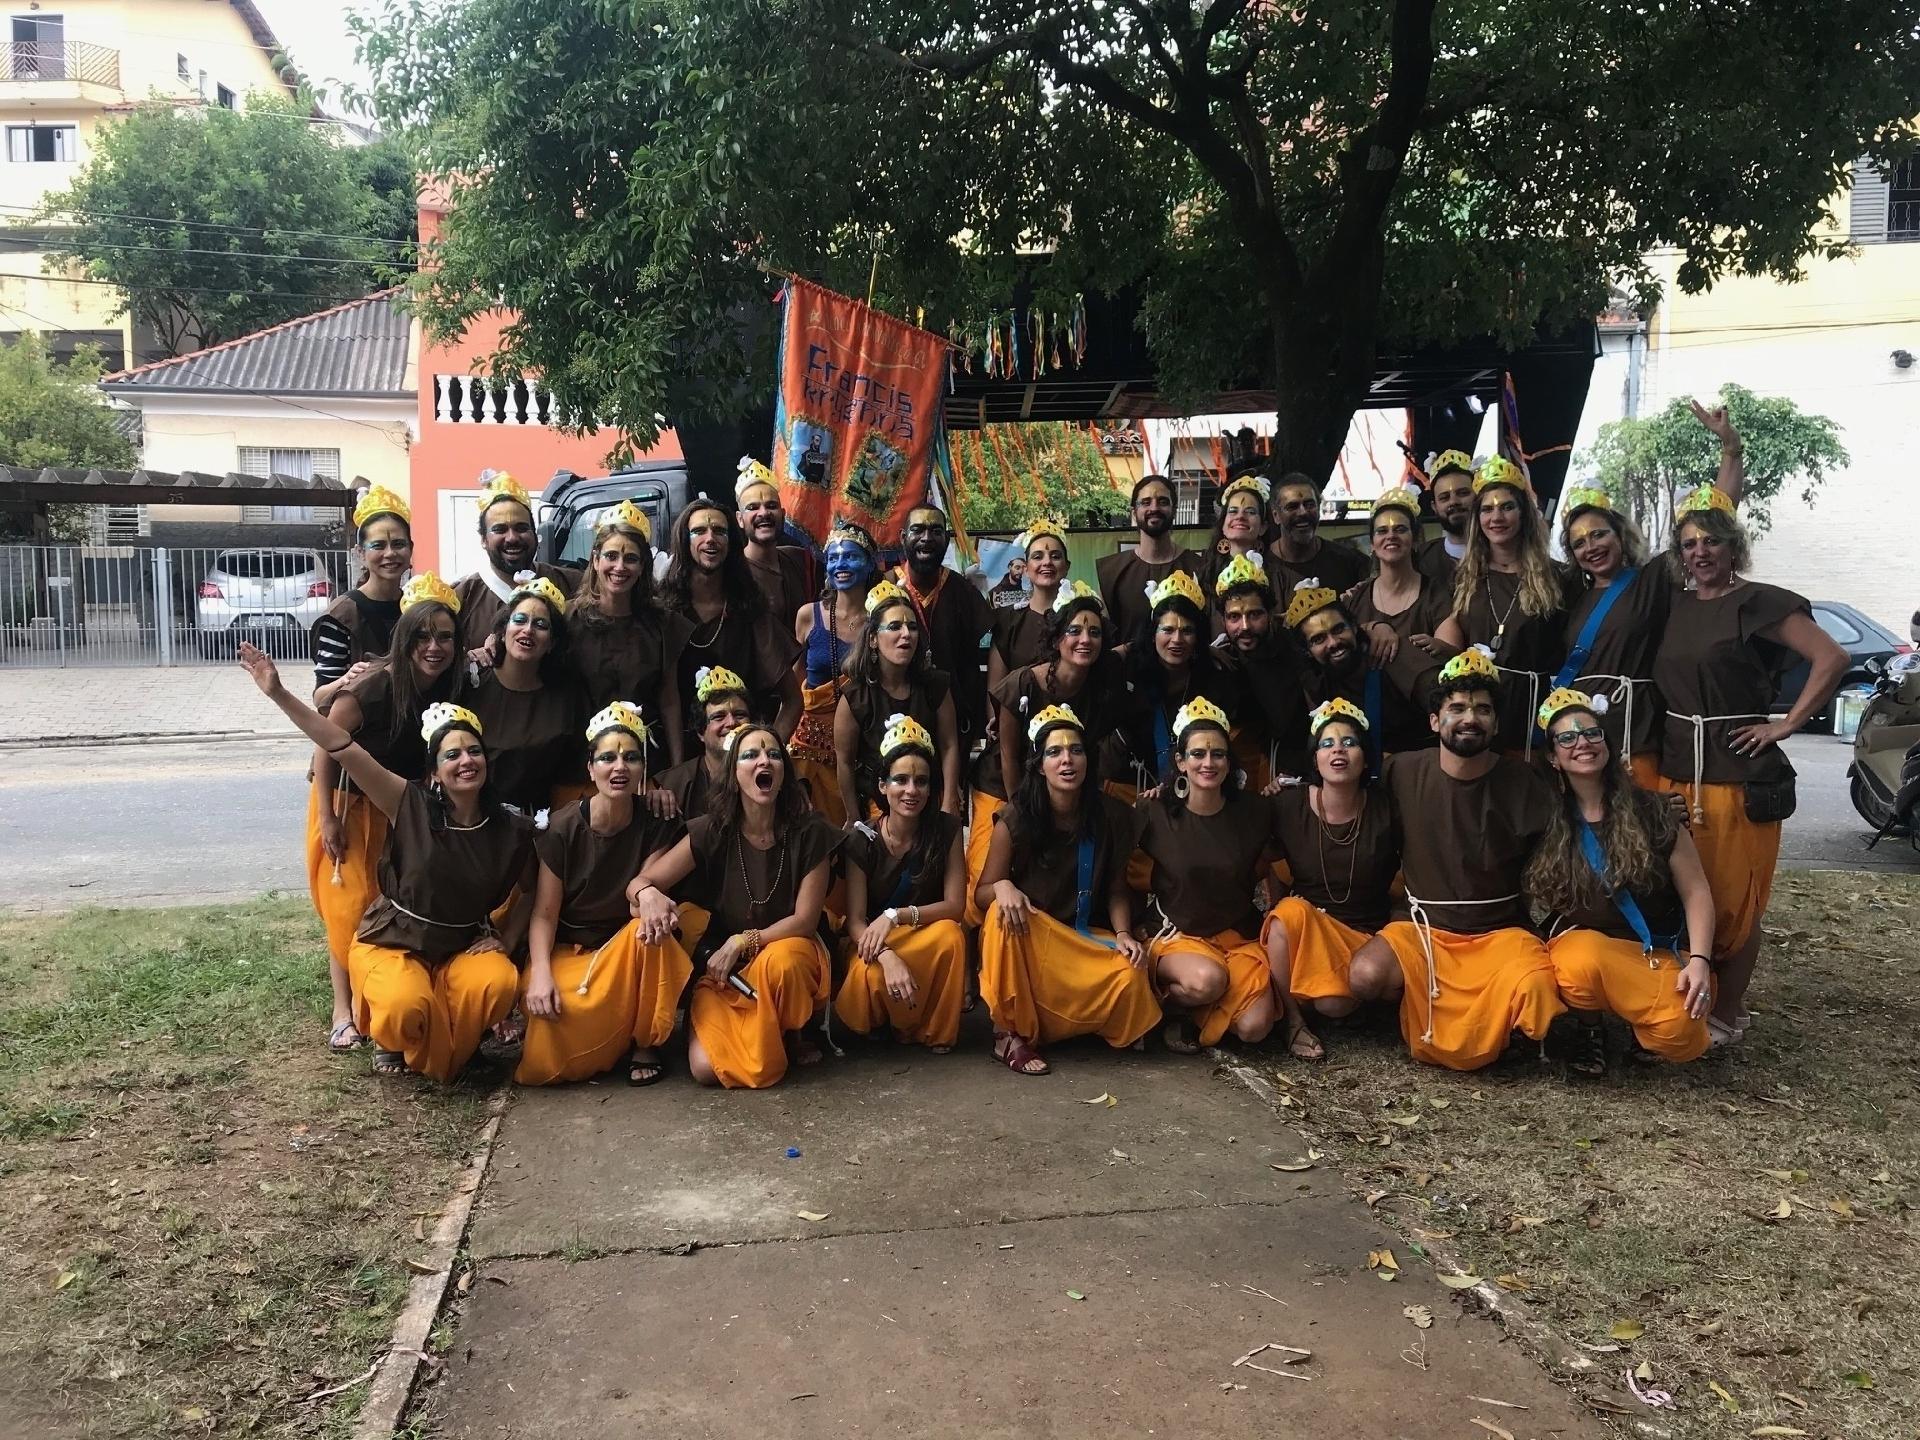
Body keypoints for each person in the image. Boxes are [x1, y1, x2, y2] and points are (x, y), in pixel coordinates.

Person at [240, 652, 532, 1081]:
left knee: (497, 982)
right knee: (403, 1004)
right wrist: (279, 694)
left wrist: (505, 939)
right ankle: (394, 1036)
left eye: (474, 751)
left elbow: (535, 889)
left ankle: (458, 1041)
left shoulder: (509, 826)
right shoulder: (407, 802)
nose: (465, 761)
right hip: (394, 942)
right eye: (452, 755)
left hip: (459, 946)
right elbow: (340, 744)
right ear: (433, 772)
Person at [1651, 485, 1846, 1043]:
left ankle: (1729, 1010)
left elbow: (1830, 658)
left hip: (1736, 773)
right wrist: (1726, 457)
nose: (1700, 552)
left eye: (1712, 540)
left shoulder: (1758, 601)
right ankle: (1692, 993)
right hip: (1675, 766)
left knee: (1737, 897)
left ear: (1733, 545)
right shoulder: (1678, 604)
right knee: (1686, 888)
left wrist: (1786, 723)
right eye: (1689, 544)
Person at [1345, 648, 1566, 1070]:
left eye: (1483, 710)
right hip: (1424, 930)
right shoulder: (1402, 771)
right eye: (1457, 708)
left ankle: (1503, 1026)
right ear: (1434, 720)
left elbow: (1570, 844)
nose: (1470, 718)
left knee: (1538, 987)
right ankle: (1416, 1002)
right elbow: (1346, 803)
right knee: (1365, 976)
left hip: (1498, 933)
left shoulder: (1524, 781)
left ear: (1496, 723)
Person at [629, 723, 845, 1087]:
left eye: (773, 754)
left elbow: (805, 921)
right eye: (751, 755)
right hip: (727, 970)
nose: (765, 761)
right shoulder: (714, 828)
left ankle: (794, 1030)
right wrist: (647, 896)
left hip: (786, 951)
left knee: (786, 959)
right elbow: (641, 883)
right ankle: (749, 1033)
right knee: (703, 1069)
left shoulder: (810, 831)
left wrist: (743, 940)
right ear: (734, 773)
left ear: (783, 772)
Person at [308, 573, 464, 1052]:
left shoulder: (449, 686)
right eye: (423, 636)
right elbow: (327, 742)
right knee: (349, 909)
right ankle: (344, 1009)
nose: (434, 646)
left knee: (386, 907)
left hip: (400, 811)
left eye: (445, 637)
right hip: (347, 805)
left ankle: (376, 1004)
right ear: (405, 637)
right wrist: (329, 818)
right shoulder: (375, 684)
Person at [1556, 400, 1748, 785]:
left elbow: (1716, 517)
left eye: (1599, 534)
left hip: (1635, 735)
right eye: (1579, 543)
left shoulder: (1653, 580)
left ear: (1619, 536)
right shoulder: (1571, 594)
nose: (1590, 546)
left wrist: (1731, 449)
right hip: (1581, 738)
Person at [1528, 688, 1714, 1076]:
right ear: (1553, 757)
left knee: (1681, 1030)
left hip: (1652, 949)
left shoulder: (1656, 810)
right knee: (1577, 962)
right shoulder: (1544, 817)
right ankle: (1590, 1030)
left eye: (1592, 733)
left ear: (1607, 744)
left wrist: (1699, 961)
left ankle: (1639, 1025)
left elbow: (1696, 892)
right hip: (1586, 948)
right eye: (1567, 737)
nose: (1582, 743)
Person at [974, 705, 1160, 1075]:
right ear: (1039, 765)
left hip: (1078, 942)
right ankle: (1007, 1035)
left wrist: (1123, 933)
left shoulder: (1108, 813)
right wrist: (1004, 886)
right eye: (1054, 752)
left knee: (1130, 974)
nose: (1066, 760)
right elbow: (981, 895)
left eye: (1076, 750)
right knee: (998, 916)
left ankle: (1065, 1025)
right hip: (1031, 939)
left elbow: (1116, 887)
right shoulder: (1015, 818)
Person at [517, 703, 694, 1086]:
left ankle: (645, 1042)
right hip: (571, 950)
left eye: (631, 758)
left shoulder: (656, 820)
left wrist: (649, 897)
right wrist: (541, 974)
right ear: (590, 768)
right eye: (608, 758)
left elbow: (644, 895)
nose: (619, 768)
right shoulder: (563, 827)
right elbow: (544, 914)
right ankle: (606, 1042)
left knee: (653, 930)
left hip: (627, 946)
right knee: (555, 1013)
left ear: (643, 768)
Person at [970, 582, 1124, 917]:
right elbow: (1009, 756)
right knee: (985, 877)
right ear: (1057, 638)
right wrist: (1019, 817)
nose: (1085, 639)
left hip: (1063, 789)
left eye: (1094, 632)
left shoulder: (1102, 683)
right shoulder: (1024, 683)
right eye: (1074, 630)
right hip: (1007, 787)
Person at [1137, 698, 1280, 1052]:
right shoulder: (1153, 812)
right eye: (1198, 754)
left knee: (1255, 1027)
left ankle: (1200, 1013)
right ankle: (1165, 1010)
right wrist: (1127, 929)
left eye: (1218, 754)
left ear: (1229, 763)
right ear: (1181, 762)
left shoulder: (1255, 811)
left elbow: (1272, 864)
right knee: (1208, 980)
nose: (1208, 762)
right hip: (1177, 935)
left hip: (1236, 937)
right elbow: (1122, 877)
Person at [1263, 698, 1401, 1061]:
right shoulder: (1287, 804)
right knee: (1287, 913)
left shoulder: (1388, 807)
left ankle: (1326, 999)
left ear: (1366, 757)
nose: (1338, 750)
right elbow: (1254, 846)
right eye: (1327, 743)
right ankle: (1291, 1021)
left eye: (1349, 742)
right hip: (1310, 924)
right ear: (1314, 759)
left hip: (1367, 934)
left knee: (1332, 1005)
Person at [834, 714, 969, 1051]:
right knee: (874, 975)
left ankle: (933, 1031)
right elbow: (855, 921)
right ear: (883, 786)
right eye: (901, 780)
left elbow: (955, 907)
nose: (912, 790)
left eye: (921, 781)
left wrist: (896, 915)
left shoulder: (947, 830)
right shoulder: (861, 839)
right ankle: (884, 1025)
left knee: (951, 936)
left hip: (918, 932)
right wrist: (887, 955)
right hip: (872, 944)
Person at [1434, 457, 1574, 753]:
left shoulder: (1559, 577)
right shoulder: (1464, 578)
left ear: (1523, 514)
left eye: (1507, 507)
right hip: (1481, 712)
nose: (1496, 516)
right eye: (1487, 509)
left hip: (1538, 711)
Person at [661, 497, 802, 742]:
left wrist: (765, 752)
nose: (710, 539)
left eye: (719, 531)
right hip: (684, 762)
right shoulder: (664, 612)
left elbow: (792, 700)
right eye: (698, 531)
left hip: (742, 760)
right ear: (684, 542)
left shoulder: (750, 610)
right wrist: (677, 770)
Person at [564, 499, 689, 769]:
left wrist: (677, 770)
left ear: (643, 566)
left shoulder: (662, 624)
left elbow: (669, 700)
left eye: (630, 558)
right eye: (611, 556)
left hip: (644, 758)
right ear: (595, 560)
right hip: (582, 759)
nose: (620, 567)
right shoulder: (567, 620)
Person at [835, 580, 962, 821]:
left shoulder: (935, 686)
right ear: (873, 638)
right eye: (894, 626)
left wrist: (948, 802)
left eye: (912, 627)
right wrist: (853, 817)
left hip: (927, 799)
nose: (906, 634)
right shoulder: (855, 696)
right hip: (876, 806)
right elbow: (844, 761)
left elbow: (949, 745)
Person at [1111, 569, 1246, 794]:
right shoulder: (1131, 679)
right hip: (1137, 794)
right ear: (1153, 634)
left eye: (1187, 631)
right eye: (1168, 630)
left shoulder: (1216, 681)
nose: (1177, 640)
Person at [465, 575, 585, 814]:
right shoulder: (470, 682)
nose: (528, 630)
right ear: (502, 631)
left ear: (552, 642)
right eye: (519, 620)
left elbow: (573, 774)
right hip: (473, 821)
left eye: (541, 625)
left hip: (540, 825)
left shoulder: (568, 696)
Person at [1286, 579, 1437, 765]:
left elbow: (1449, 709)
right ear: (1307, 651)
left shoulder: (1389, 652)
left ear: (1354, 627)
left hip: (1423, 768)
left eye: (1339, 629)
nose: (1333, 642)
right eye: (1318, 639)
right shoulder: (1316, 681)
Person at [791, 518, 878, 826]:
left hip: (866, 745)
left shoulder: (881, 621)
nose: (841, 564)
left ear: (870, 564)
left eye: (851, 556)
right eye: (833, 558)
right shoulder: (807, 616)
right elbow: (795, 682)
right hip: (812, 750)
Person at [892, 504, 993, 762]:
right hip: (896, 716)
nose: (927, 538)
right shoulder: (885, 588)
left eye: (936, 531)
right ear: (903, 537)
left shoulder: (962, 591)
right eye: (918, 530)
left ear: (946, 539)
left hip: (955, 717)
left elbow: (974, 661)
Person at [311, 484, 412, 708]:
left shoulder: (417, 607)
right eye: (378, 545)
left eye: (398, 544)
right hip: (362, 736)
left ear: (411, 549)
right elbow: (320, 697)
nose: (390, 553)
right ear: (361, 553)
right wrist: (345, 680)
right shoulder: (341, 616)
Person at [451, 471, 577, 649]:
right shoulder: (460, 600)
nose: (512, 538)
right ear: (483, 540)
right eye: (500, 529)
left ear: (535, 533)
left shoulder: (573, 586)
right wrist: (470, 661)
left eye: (521, 528)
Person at [1213, 554, 1309, 782]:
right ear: (1223, 620)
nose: (1244, 626)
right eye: (1234, 617)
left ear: (1270, 614)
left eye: (1254, 615)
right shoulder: (1219, 660)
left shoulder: (1297, 654)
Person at [1351, 485, 1453, 669]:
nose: (1391, 536)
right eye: (1382, 531)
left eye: (1400, 529)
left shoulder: (1437, 595)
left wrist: (1439, 648)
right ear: (1372, 544)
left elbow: (1453, 659)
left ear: (1415, 539)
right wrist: (1373, 627)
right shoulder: (1356, 598)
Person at [1095, 475, 1202, 641]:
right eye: (1145, 502)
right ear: (1134, 512)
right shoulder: (1110, 571)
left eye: (1163, 501)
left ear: (1174, 510)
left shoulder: (1198, 567)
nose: (1154, 508)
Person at [654, 666, 753, 819]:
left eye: (740, 715)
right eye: (719, 717)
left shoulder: (770, 771)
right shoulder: (671, 785)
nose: (732, 723)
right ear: (701, 732)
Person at [987, 518, 1071, 695]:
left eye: (1055, 556)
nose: (1047, 562)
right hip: (1017, 718)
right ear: (1026, 568)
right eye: (1037, 556)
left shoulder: (1080, 618)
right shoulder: (1007, 620)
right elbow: (995, 690)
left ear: (1066, 566)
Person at [737, 457, 815, 626]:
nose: (764, 513)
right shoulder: (732, 572)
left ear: (783, 514)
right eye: (753, 507)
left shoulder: (799, 559)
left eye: (771, 505)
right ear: (740, 519)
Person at [1265, 471, 1367, 598]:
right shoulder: (1261, 568)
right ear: (1276, 516)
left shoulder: (1349, 563)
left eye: (1310, 505)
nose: (1302, 512)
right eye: (1292, 506)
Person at [1202, 474, 1271, 598]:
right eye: (1233, 511)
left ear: (1263, 527)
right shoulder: (1205, 572)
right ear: (1223, 524)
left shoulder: (1275, 573)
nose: (1240, 517)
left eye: (1250, 512)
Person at [1414, 451, 1475, 584]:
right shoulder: (1421, 560)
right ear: (1434, 507)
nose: (1454, 501)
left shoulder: (1500, 554)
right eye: (1444, 497)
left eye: (1463, 493)